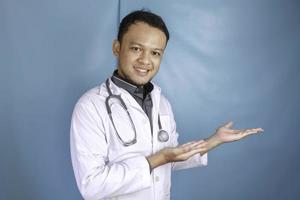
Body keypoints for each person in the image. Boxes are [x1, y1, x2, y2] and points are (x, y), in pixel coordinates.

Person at [70, 10, 263, 200]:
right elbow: (91, 185)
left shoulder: (161, 103)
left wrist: (214, 140)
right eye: (136, 48)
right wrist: (158, 159)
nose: (145, 60)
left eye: (155, 53)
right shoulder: (90, 106)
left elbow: (171, 158)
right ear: (117, 47)